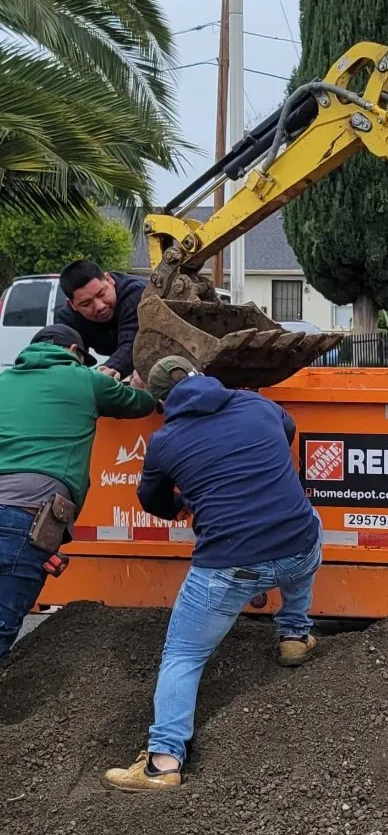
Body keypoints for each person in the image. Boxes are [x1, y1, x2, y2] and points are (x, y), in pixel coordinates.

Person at [103, 356, 323, 793]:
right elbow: (289, 430)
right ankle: (294, 635)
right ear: (203, 377)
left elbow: (152, 500)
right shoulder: (256, 405)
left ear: (161, 401)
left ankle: (162, 763)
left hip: (230, 564)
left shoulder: (166, 441)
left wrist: (184, 505)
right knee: (305, 529)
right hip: (300, 546)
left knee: (183, 655)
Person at [0, 325, 156, 657]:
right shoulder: (84, 379)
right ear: (74, 351)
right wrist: (142, 386)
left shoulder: (3, 382)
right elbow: (140, 404)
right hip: (27, 516)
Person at [55, 260, 147, 383]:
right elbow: (61, 358)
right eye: (86, 303)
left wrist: (95, 379)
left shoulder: (137, 294)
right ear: (72, 305)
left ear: (109, 280)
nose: (99, 306)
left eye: (101, 294)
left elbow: (133, 346)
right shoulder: (68, 318)